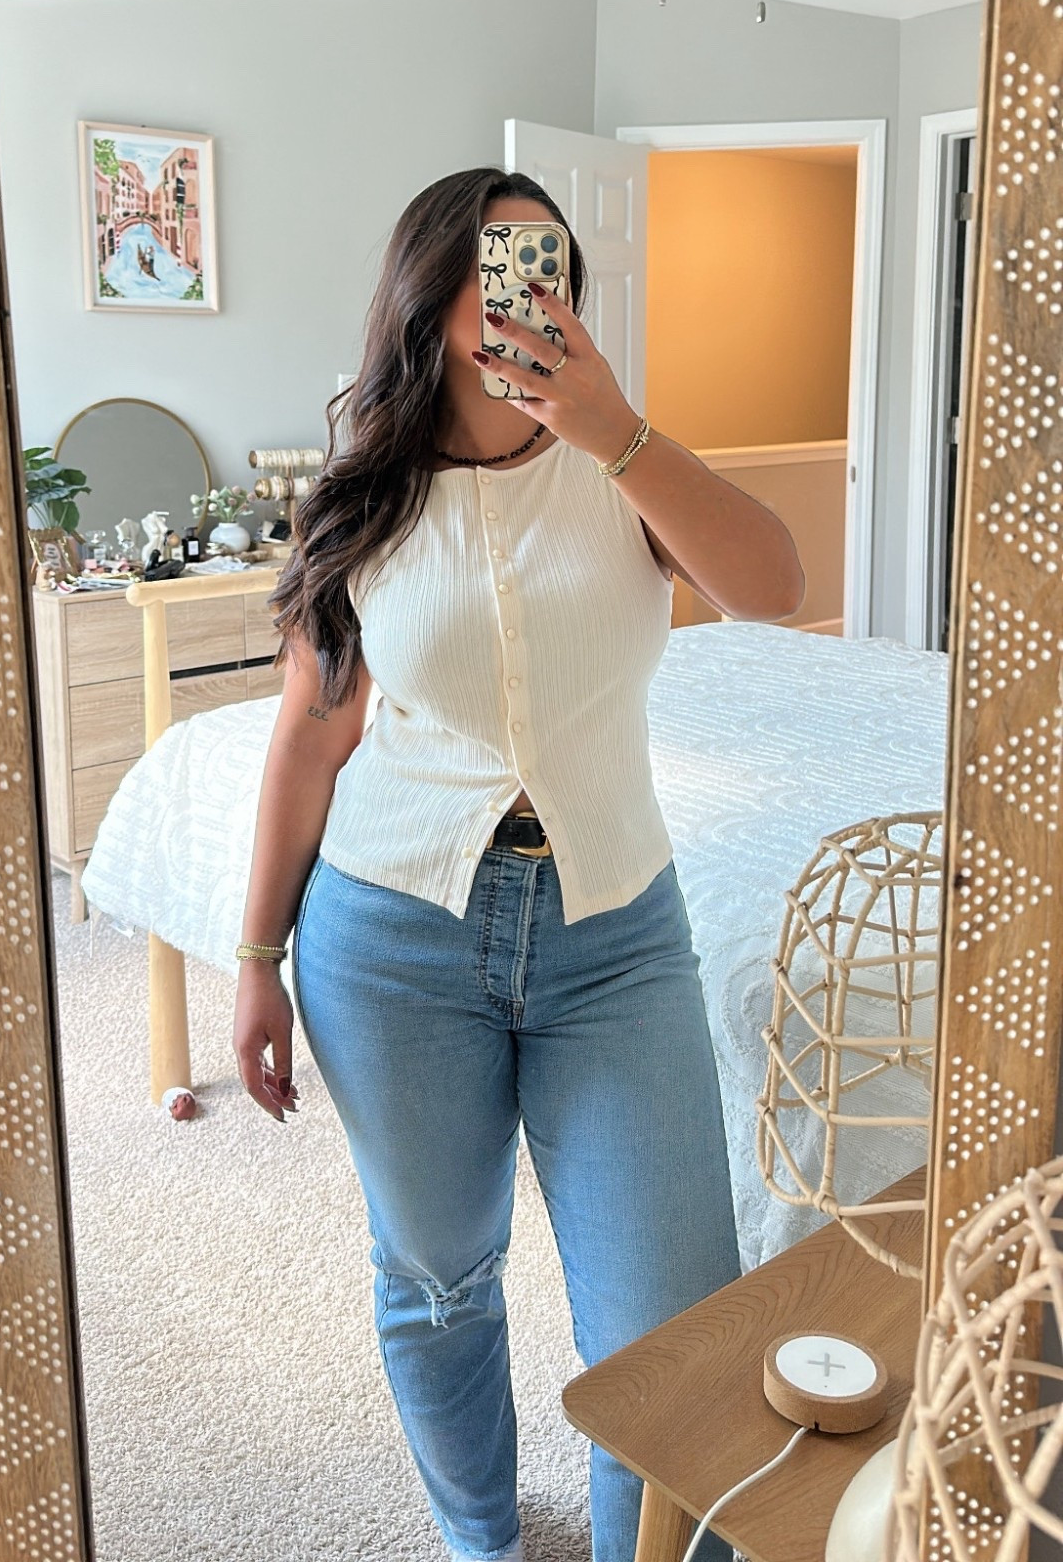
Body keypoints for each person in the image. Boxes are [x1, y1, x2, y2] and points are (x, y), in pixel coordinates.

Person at [233, 168, 805, 1562]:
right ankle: (482, 1537)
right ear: (428, 296)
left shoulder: (625, 468)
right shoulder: (362, 503)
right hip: (392, 936)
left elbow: (775, 588)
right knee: (437, 1279)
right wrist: (253, 959)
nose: (523, 297)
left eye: (546, 267)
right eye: (497, 268)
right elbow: (309, 741)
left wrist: (616, 431)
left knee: (675, 1331)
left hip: (615, 934)